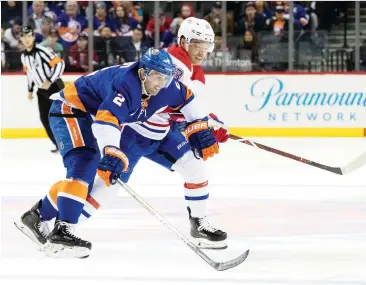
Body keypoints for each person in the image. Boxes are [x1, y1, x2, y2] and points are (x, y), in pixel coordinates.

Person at [15, 48, 222, 258]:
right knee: (84, 166)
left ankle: (37, 216)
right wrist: (112, 151)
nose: (161, 83)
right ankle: (62, 231)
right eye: (158, 77)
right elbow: (107, 121)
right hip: (70, 110)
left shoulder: (167, 87)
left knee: (88, 174)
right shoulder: (126, 85)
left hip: (92, 116)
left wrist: (200, 125)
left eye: (166, 78)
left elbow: (187, 99)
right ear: (144, 73)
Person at [20, 25, 65, 152]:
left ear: (33, 37)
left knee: (63, 116)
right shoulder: (24, 57)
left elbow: (60, 63)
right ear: (21, 39)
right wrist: (30, 90)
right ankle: (59, 145)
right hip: (41, 90)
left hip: (54, 87)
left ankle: (73, 143)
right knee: (45, 118)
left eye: (29, 36)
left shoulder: (42, 51)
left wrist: (50, 80)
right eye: (24, 36)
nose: (26, 39)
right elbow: (29, 74)